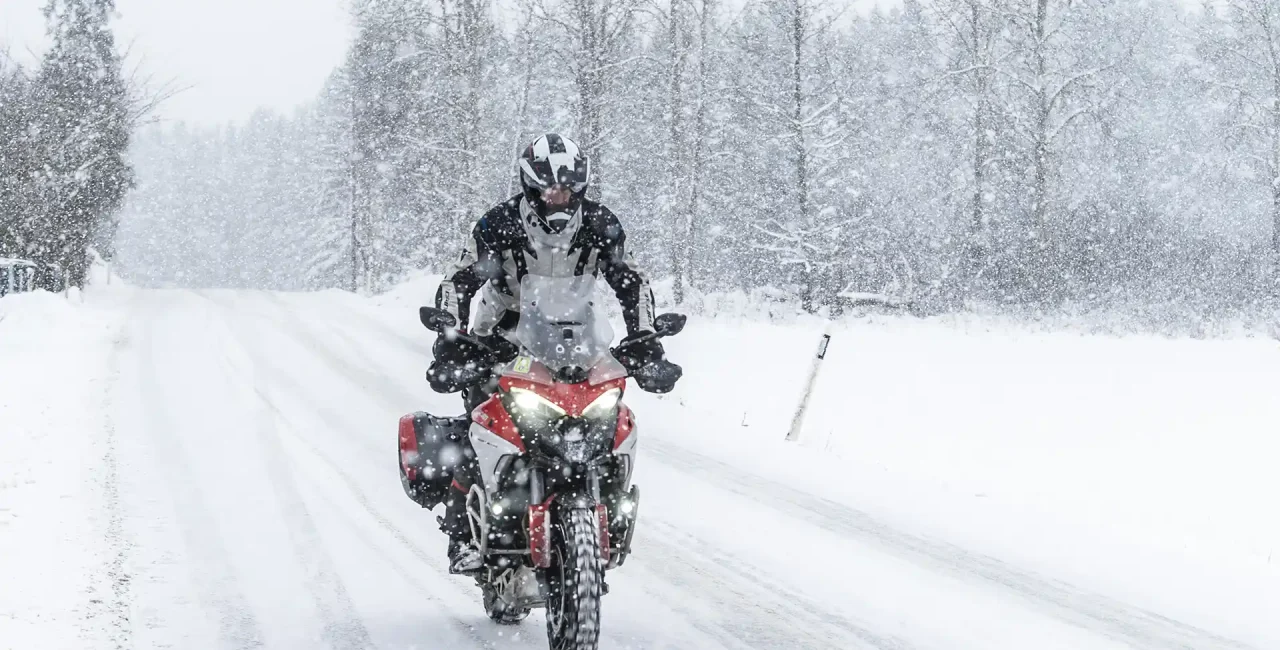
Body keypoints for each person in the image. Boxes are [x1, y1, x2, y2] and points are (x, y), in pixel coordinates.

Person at [428, 133, 673, 573]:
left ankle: (608, 507)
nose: (557, 196)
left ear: (580, 187)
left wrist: (647, 338)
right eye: (548, 187)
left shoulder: (601, 225)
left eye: (567, 187)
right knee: (477, 423)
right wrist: (451, 336)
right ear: (529, 186)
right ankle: (462, 534)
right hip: (503, 336)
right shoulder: (497, 225)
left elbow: (632, 282)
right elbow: (458, 281)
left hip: (578, 339)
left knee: (605, 419)